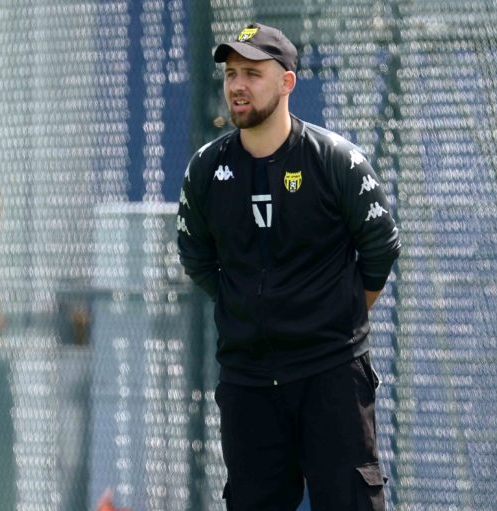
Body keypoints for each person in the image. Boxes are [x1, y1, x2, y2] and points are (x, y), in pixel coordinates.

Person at [176, 22, 401, 510]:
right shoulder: (206, 169)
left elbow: (380, 249)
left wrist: (332, 313)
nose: (237, 85)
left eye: (252, 74)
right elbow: (196, 257)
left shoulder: (335, 160)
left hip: (331, 375)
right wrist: (250, 309)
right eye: (231, 74)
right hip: (248, 381)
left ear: (286, 82)